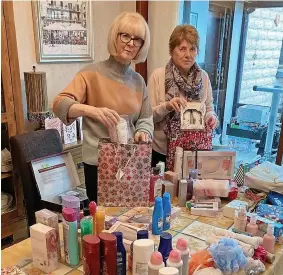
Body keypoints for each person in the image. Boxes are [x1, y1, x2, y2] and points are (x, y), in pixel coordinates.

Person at [53, 12, 153, 202]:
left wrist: (143, 131)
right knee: (102, 222)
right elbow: (60, 104)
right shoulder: (90, 74)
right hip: (98, 164)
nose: (131, 43)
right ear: (115, 36)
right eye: (125, 36)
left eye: (137, 39)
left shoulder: (138, 81)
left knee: (128, 218)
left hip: (131, 162)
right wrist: (92, 110)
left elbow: (145, 118)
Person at [148, 24, 219, 171]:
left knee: (191, 193)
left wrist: (211, 117)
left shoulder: (203, 77)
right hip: (162, 151)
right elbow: (147, 117)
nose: (188, 54)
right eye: (182, 49)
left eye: (192, 49)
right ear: (171, 51)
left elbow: (209, 107)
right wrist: (167, 106)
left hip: (194, 151)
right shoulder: (158, 76)